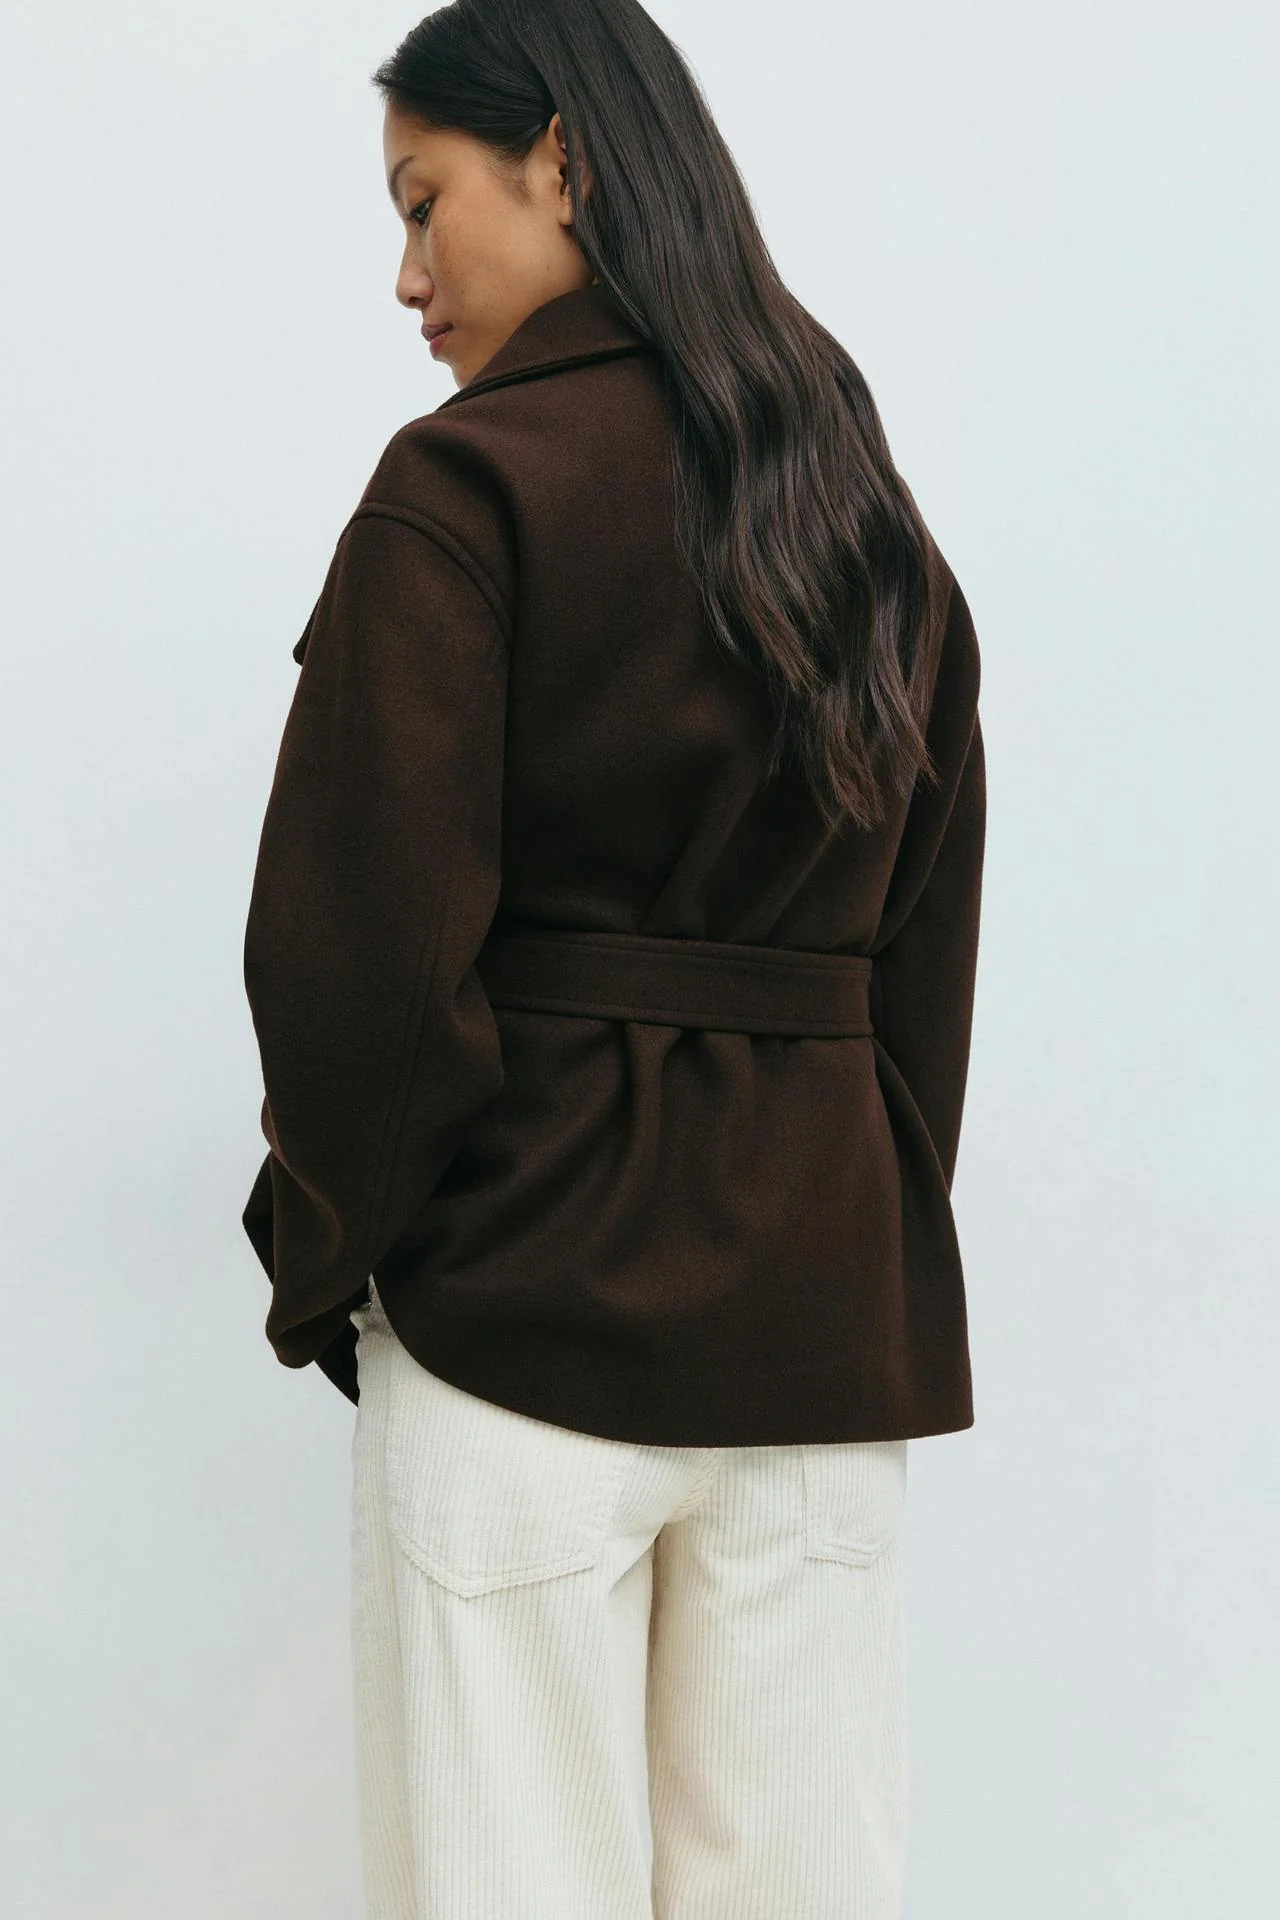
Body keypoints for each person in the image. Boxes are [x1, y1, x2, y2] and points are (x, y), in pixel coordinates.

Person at [239, 1, 987, 1914]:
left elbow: (357, 966)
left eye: (424, 202)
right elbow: (923, 953)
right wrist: (850, 1212)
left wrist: (332, 1256)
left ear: (559, 160)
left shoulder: (466, 493)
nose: (407, 275)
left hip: (518, 1327)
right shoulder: (862, 513)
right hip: (819, 1339)